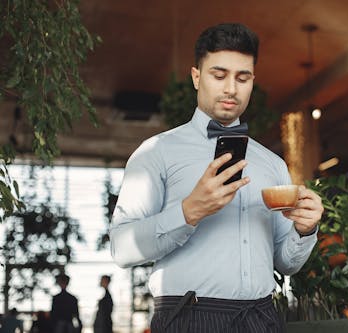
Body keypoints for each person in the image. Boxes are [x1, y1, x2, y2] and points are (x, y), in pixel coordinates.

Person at [110, 22, 324, 332]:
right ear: (197, 77)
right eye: (219, 75)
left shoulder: (272, 164)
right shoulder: (156, 152)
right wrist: (189, 211)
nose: (231, 89)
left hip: (261, 318)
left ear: (253, 81)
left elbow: (286, 264)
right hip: (188, 318)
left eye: (242, 77)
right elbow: (121, 249)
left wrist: (305, 231)